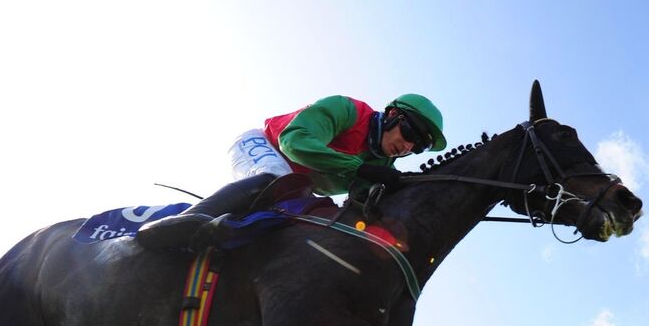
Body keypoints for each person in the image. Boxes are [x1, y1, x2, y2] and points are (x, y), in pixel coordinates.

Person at [137, 93, 446, 251]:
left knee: (313, 218)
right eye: (409, 133)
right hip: (264, 145)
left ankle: (226, 233)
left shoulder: (383, 166)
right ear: (392, 114)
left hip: (297, 189)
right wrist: (360, 167)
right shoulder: (348, 110)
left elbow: (360, 206)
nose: (407, 146)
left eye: (417, 146)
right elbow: (294, 142)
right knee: (279, 177)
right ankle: (182, 221)